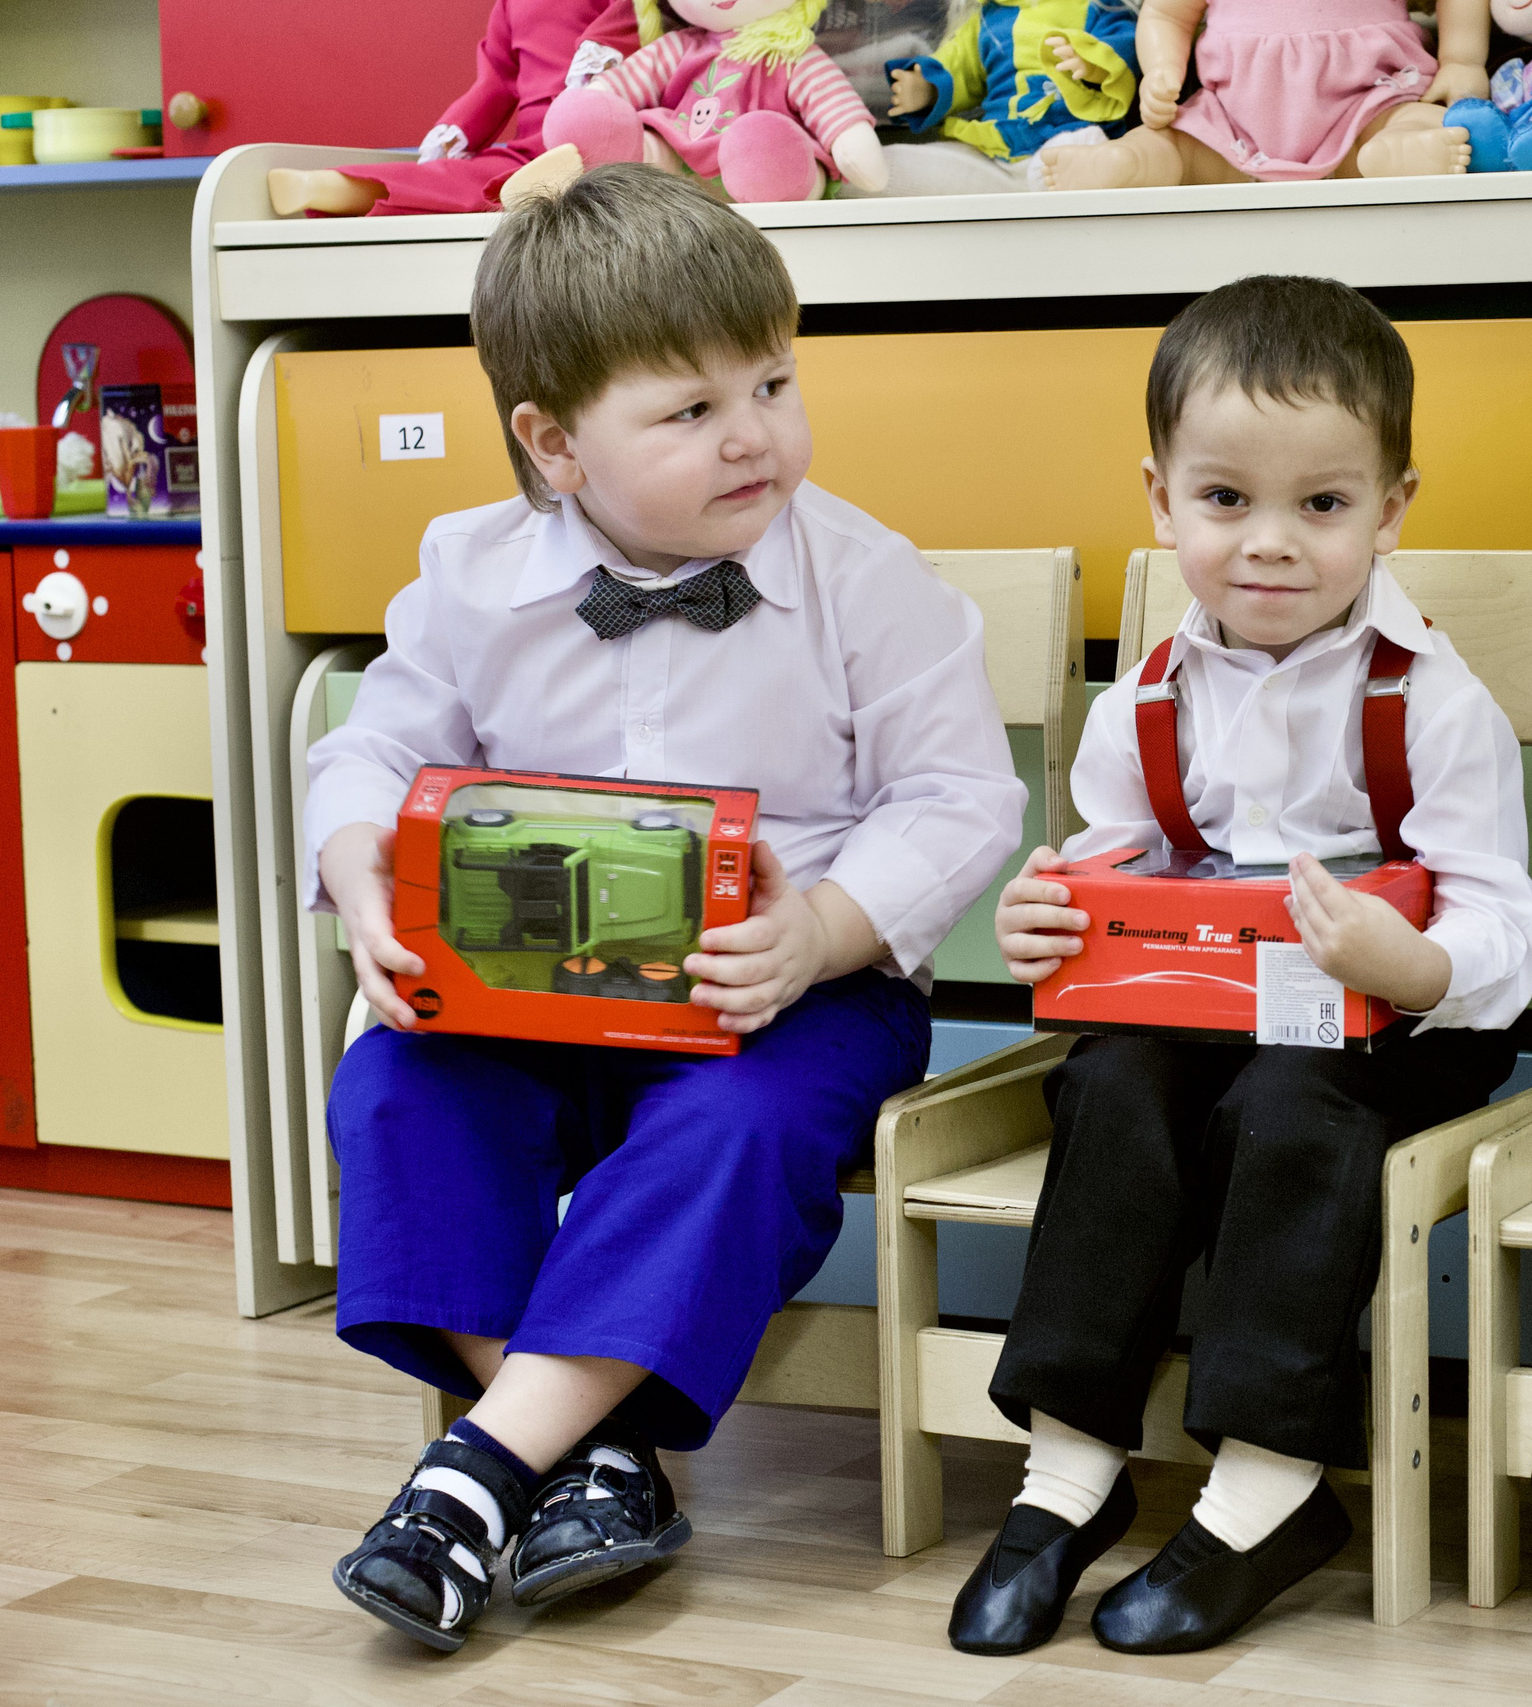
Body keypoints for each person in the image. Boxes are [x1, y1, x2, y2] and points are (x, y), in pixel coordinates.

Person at [301, 164, 1025, 1651]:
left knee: (733, 1132)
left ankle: (477, 1472)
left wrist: (820, 932)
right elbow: (375, 740)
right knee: (392, 1089)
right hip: (535, 986)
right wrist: (360, 858)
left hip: (787, 995)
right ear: (556, 444)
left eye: (770, 379)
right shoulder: (468, 572)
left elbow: (963, 801)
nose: (754, 431)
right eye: (689, 411)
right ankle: (588, 1455)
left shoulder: (867, 581)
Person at [962, 274, 1532, 1657]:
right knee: (1110, 1085)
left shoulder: (1436, 704)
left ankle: (1270, 1490)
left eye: (1322, 507)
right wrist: (1046, 916)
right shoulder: (1147, 701)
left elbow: (1503, 939)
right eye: (1226, 502)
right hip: (1212, 1014)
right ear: (1160, 498)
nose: (1270, 545)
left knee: (1285, 1112)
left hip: (1401, 1034)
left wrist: (1406, 960)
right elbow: (1108, 877)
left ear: (1391, 506)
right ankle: (1069, 1472)